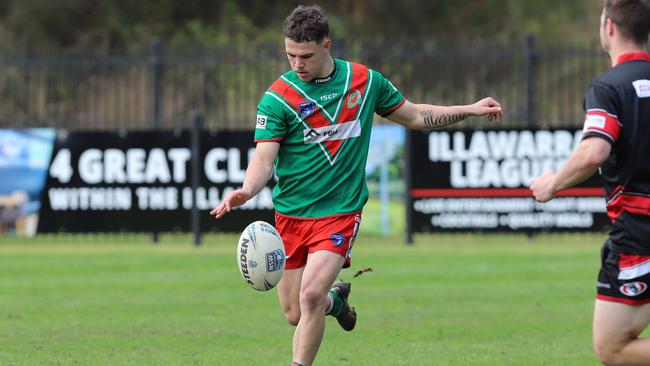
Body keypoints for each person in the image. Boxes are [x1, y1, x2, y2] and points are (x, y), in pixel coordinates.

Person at [210, 5, 502, 366]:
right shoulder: (277, 98)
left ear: (327, 45)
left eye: (306, 55)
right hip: (291, 215)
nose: (296, 64)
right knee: (294, 312)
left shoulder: (364, 82)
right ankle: (339, 301)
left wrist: (469, 109)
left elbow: (415, 116)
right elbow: (263, 159)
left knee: (311, 296)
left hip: (340, 212)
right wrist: (247, 190)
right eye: (289, 55)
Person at [530, 1, 650, 365]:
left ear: (609, 27)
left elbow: (594, 151)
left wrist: (551, 185)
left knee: (614, 348)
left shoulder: (610, 87)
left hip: (640, 234)